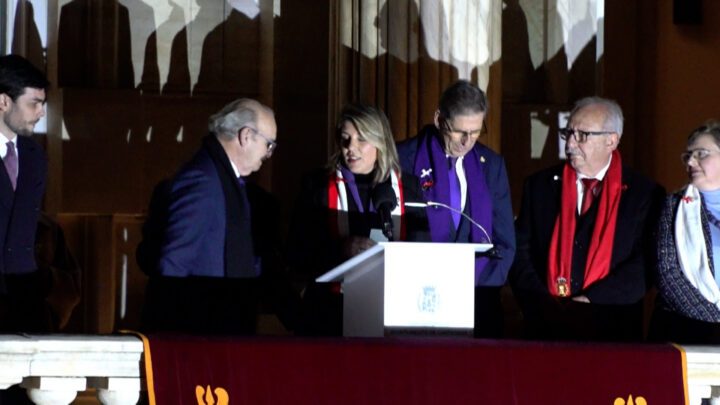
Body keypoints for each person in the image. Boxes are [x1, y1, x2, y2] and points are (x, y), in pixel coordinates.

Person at [510, 96, 665, 341]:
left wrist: (589, 300)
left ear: (611, 140)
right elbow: (520, 251)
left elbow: (645, 264)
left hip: (612, 330)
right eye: (568, 133)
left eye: (582, 135)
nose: (570, 144)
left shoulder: (644, 194)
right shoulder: (539, 186)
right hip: (545, 326)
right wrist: (543, 302)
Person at [139, 98, 277, 335]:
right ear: (246, 136)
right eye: (269, 144)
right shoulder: (203, 181)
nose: (268, 154)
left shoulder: (225, 178)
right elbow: (173, 265)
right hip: (200, 330)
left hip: (221, 323)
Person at [288, 103, 428, 336]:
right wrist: (341, 249)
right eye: (345, 138)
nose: (350, 148)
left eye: (361, 139)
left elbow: (422, 253)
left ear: (380, 142)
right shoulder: (317, 186)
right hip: (329, 312)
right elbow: (297, 255)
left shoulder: (408, 188)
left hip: (390, 310)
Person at [396, 80, 515, 338]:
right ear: (439, 119)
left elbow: (505, 243)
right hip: (418, 300)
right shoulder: (403, 159)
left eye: (475, 132)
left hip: (478, 298)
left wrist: (473, 285)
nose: (466, 142)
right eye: (460, 131)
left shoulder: (491, 165)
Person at [650, 122, 720, 344]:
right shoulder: (673, 206)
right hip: (688, 330)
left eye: (701, 154)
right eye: (688, 156)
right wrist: (714, 320)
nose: (690, 162)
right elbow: (668, 272)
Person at [0, 54, 52, 333]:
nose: (41, 112)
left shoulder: (35, 156)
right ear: (4, 101)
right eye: (34, 103)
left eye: (43, 104)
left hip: (24, 298)